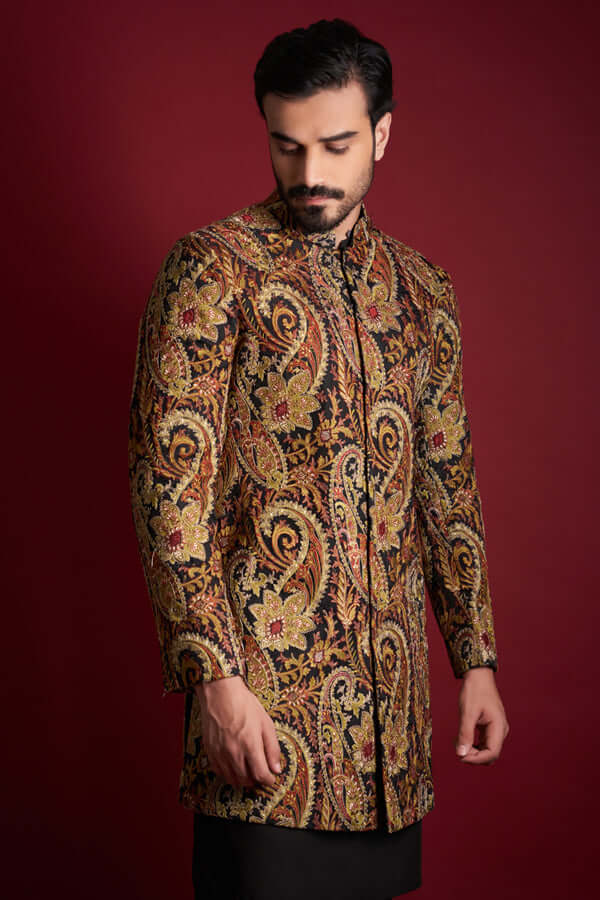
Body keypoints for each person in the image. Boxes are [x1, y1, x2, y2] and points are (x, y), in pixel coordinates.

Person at [127, 17, 509, 900]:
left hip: (390, 740)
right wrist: (214, 682)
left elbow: (446, 485)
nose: (309, 175)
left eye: (335, 145)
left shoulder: (422, 291)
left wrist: (476, 661)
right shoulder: (212, 270)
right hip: (265, 730)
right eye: (286, 145)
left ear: (382, 131)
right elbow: (167, 490)